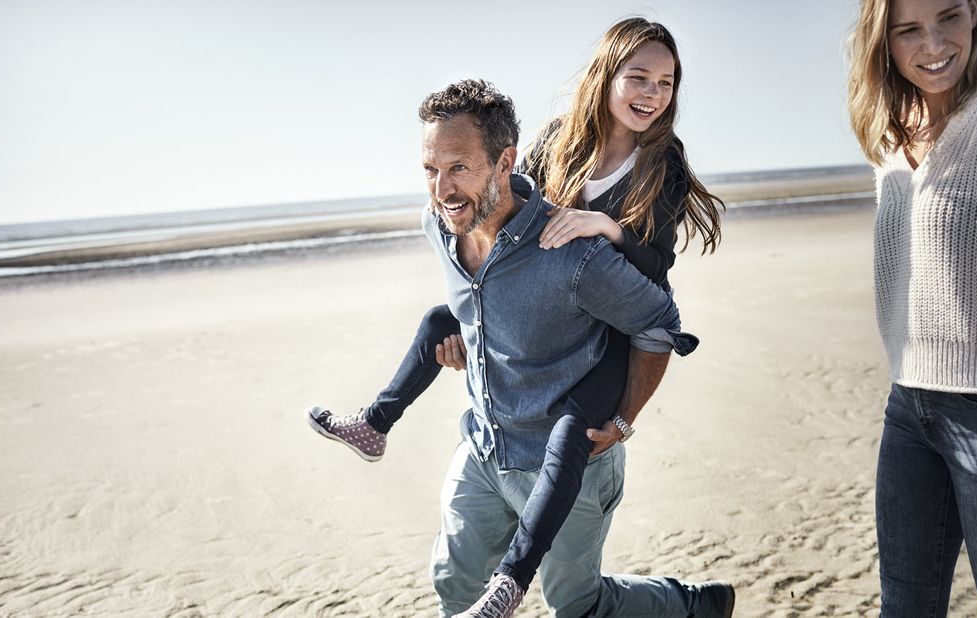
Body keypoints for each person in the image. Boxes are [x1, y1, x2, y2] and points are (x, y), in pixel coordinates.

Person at [307, 19, 731, 617]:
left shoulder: (660, 162)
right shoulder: (560, 139)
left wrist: (606, 229)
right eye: (639, 77)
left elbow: (657, 281)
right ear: (605, 78)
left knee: (578, 597)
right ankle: (376, 423)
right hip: (504, 409)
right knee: (440, 321)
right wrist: (481, 333)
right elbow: (516, 208)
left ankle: (682, 604)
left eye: (666, 82)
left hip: (608, 337)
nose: (653, 93)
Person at [847, 0, 977, 615]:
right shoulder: (892, 136)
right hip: (908, 408)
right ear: (884, 42)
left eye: (949, 16)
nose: (933, 42)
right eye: (907, 29)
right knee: (904, 606)